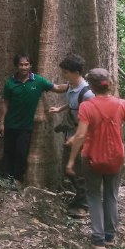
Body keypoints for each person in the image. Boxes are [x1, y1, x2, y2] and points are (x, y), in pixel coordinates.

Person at [66, 68, 125, 249]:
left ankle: (98, 239)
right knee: (111, 196)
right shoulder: (121, 105)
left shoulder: (87, 106)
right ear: (109, 85)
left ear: (92, 87)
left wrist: (71, 161)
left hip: (92, 158)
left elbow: (80, 136)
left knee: (94, 196)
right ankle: (110, 237)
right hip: (115, 158)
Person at [0, 53, 67, 184]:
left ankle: (18, 179)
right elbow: (5, 103)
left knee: (21, 153)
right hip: (10, 124)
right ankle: (8, 177)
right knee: (8, 152)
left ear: (31, 65)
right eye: (21, 65)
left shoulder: (38, 81)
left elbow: (56, 88)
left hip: (25, 126)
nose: (24, 67)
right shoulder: (10, 83)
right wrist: (1, 123)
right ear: (16, 66)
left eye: (26, 64)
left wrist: (74, 85)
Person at [48, 54, 94, 217]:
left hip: (81, 136)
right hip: (71, 131)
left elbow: (90, 121)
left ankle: (84, 204)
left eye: (66, 72)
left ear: (77, 72)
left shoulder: (87, 94)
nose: (64, 75)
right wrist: (60, 109)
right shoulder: (72, 86)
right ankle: (81, 197)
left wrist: (76, 138)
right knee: (69, 168)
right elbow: (73, 103)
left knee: (77, 168)